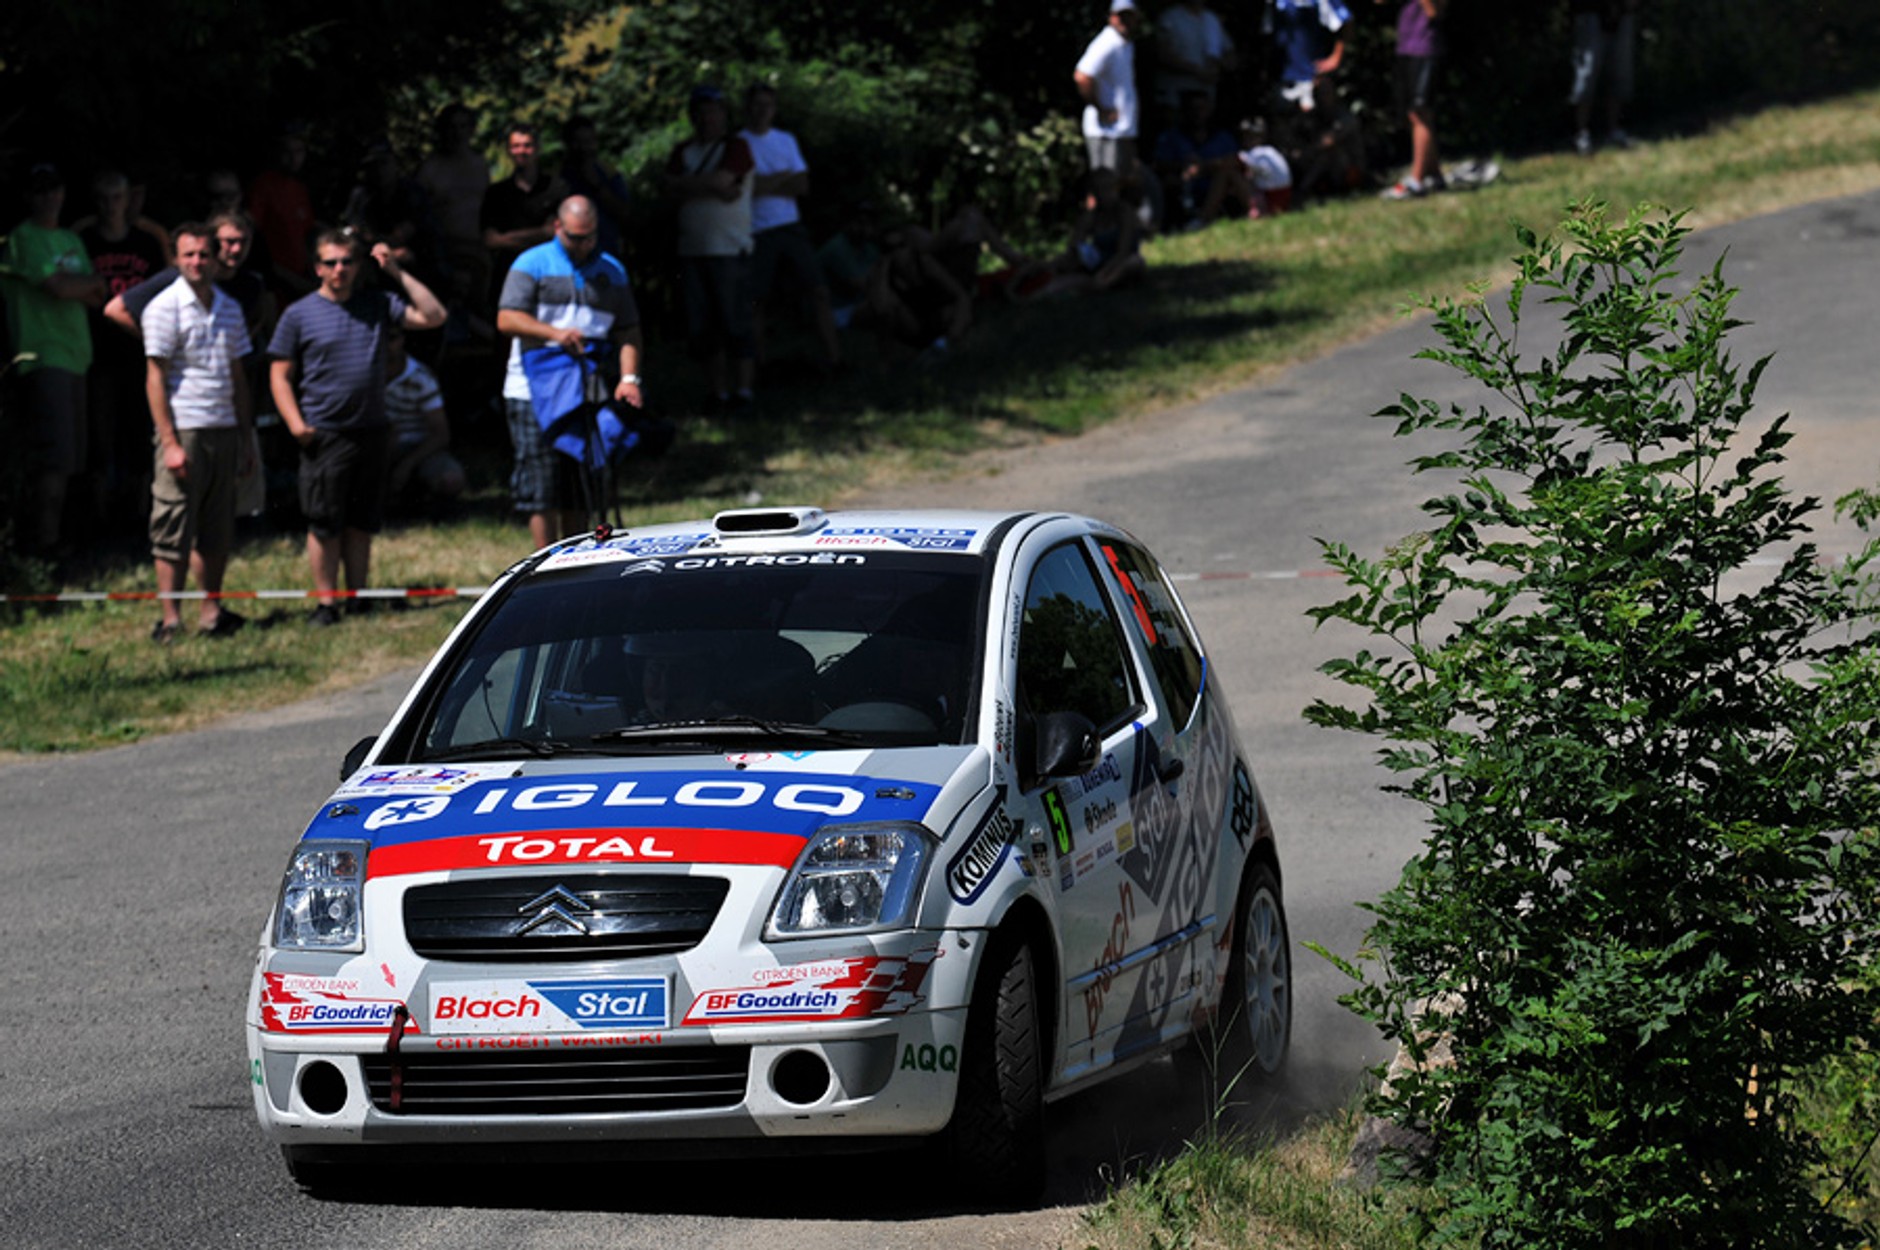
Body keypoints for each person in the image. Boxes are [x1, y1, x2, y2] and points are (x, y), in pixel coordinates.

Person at [268, 229, 447, 625]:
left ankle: (358, 595)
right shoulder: (299, 314)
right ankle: (326, 603)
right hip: (324, 432)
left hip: (372, 429)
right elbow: (280, 374)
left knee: (362, 520)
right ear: (317, 268)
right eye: (330, 263)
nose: (339, 270)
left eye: (347, 262)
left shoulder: (377, 304)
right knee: (325, 521)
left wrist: (397, 272)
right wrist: (296, 425)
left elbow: (434, 316)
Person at [494, 196, 646, 548]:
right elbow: (506, 318)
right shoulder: (531, 263)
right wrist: (556, 335)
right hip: (530, 390)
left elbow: (628, 330)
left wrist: (629, 379)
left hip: (587, 388)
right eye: (575, 238)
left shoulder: (611, 270)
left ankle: (579, 558)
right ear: (557, 227)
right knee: (541, 482)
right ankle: (546, 564)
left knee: (579, 480)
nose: (584, 245)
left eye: (590, 237)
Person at [142, 223, 255, 643]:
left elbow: (238, 376)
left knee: (217, 524)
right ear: (176, 258)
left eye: (203, 255)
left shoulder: (228, 307)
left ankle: (212, 610)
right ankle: (170, 618)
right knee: (172, 521)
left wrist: (245, 438)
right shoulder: (163, 306)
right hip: (184, 427)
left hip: (223, 425)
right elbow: (155, 377)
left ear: (214, 258)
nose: (196, 262)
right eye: (188, 255)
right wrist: (169, 442)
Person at [1, 164, 106, 556]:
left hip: (78, 355)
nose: (49, 197)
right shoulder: (21, 239)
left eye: (55, 189)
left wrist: (84, 286)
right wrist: (85, 285)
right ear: (28, 197)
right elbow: (59, 287)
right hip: (43, 355)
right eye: (39, 190)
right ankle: (44, 544)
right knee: (54, 460)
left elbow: (99, 295)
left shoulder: (68, 239)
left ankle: (71, 536)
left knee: (76, 458)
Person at [78, 170, 171, 534]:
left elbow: (167, 279)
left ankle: (140, 514)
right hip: (96, 351)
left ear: (128, 199)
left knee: (139, 433)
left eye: (116, 198)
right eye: (102, 199)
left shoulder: (145, 242)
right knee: (100, 437)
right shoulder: (83, 239)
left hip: (139, 351)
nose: (110, 206)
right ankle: (100, 518)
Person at [662, 84, 757, 412]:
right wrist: (712, 187)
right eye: (701, 114)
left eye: (713, 113)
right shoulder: (683, 151)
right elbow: (671, 189)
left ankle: (743, 391)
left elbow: (723, 182)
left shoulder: (737, 147)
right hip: (692, 250)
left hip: (729, 249)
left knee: (736, 322)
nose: (707, 120)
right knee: (703, 327)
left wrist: (688, 186)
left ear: (724, 116)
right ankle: (717, 392)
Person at [739, 83, 842, 373]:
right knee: (757, 300)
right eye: (757, 105)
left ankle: (834, 360)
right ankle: (759, 366)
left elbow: (802, 184)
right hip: (756, 230)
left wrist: (764, 183)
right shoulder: (739, 143)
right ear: (748, 108)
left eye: (767, 106)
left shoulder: (785, 140)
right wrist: (780, 179)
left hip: (789, 226)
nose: (762, 112)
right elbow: (748, 188)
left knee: (818, 290)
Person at [1015, 168, 1147, 300]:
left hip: (1119, 266)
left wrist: (1103, 273)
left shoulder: (1124, 212)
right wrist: (1054, 264)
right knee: (1057, 282)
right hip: (1095, 267)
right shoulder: (1091, 217)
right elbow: (1074, 248)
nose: (1105, 194)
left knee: (1134, 262)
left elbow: (1122, 253)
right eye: (1100, 189)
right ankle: (1026, 289)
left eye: (1108, 188)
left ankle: (1100, 285)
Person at [416, 103, 492, 316]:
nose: (457, 133)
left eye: (463, 126)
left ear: (471, 130)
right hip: (443, 252)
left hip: (477, 249)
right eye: (452, 127)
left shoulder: (480, 166)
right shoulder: (430, 169)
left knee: (479, 310)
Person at [383, 323, 466, 514]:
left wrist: (406, 465)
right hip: (380, 445)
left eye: (392, 338)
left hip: (419, 447)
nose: (386, 345)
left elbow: (441, 434)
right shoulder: (365, 374)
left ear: (402, 340)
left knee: (450, 479)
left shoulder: (421, 378)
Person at [481, 122, 567, 301]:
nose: (522, 151)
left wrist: (506, 238)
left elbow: (556, 233)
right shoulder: (496, 193)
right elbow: (491, 240)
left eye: (527, 145)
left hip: (549, 274)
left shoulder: (556, 188)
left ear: (537, 148)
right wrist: (539, 234)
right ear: (509, 150)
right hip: (507, 275)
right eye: (516, 146)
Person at [1152, 90, 1258, 227]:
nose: (1197, 114)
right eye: (1193, 109)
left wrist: (1205, 167)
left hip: (1217, 186)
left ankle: (1203, 220)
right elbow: (1159, 164)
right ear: (1184, 111)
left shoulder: (1222, 137)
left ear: (1209, 109)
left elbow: (1236, 161)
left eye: (1202, 108)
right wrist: (1183, 167)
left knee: (1229, 175)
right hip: (1184, 185)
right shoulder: (1172, 137)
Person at [1380, 0, 1447, 201]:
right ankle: (1434, 175)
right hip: (1406, 47)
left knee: (1420, 113)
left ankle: (1416, 180)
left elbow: (1434, 11)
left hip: (1426, 47)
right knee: (1414, 114)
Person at [1075, 1, 1145, 183]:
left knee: (1123, 182)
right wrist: (1101, 108)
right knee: (1105, 187)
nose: (1125, 21)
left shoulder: (1124, 44)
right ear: (1111, 17)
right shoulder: (1107, 42)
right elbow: (1082, 76)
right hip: (1105, 132)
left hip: (1121, 131)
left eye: (1129, 16)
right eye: (1120, 16)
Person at [246, 126, 318, 299]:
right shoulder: (263, 187)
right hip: (276, 284)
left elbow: (305, 236)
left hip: (303, 280)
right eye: (288, 152)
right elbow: (254, 240)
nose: (294, 159)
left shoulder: (299, 190)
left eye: (299, 151)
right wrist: (289, 279)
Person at [558, 115, 633, 260]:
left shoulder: (608, 173)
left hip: (605, 253)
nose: (585, 148)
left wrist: (597, 184)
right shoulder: (558, 178)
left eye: (589, 142)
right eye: (578, 142)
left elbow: (625, 212)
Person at [1571, 0, 1640, 155]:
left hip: (1622, 14)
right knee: (1587, 74)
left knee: (1620, 72)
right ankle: (1581, 133)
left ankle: (1614, 130)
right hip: (1590, 12)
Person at [1154, 0, 1237, 109]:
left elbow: (1230, 55)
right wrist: (1196, 70)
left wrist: (1218, 66)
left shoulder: (1212, 19)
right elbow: (1163, 54)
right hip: (1175, 96)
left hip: (1205, 97)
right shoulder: (1170, 17)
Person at [1237, 117, 1295, 218]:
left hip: (1272, 198)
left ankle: (1256, 210)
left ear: (1260, 137)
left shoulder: (1256, 153)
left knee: (1233, 175)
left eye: (1251, 136)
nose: (1247, 140)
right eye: (1246, 136)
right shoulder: (1270, 151)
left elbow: (1235, 163)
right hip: (1284, 197)